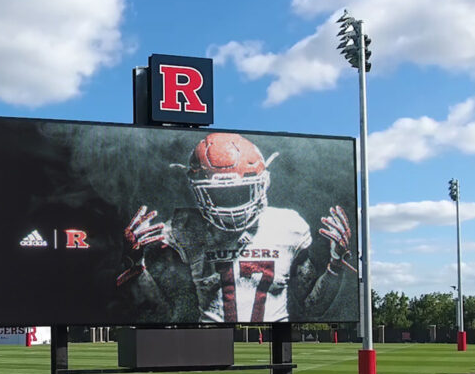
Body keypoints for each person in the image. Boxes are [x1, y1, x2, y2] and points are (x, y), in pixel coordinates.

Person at [115, 132, 353, 323]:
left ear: (263, 183)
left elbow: (312, 307)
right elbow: (163, 313)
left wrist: (335, 264)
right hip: (206, 342)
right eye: (219, 195)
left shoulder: (289, 226)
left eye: (238, 192)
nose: (230, 207)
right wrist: (136, 266)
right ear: (198, 191)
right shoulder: (184, 229)